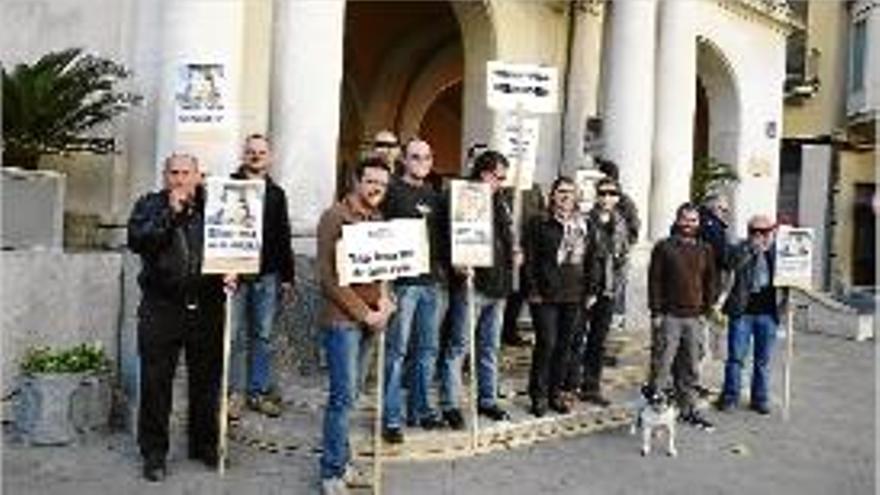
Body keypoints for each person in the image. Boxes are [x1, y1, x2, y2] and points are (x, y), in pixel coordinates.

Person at [128, 153, 229, 482]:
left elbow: (237, 246)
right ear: (165, 175)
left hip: (207, 306)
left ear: (199, 176)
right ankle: (154, 453)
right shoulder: (150, 205)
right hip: (162, 307)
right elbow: (139, 241)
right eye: (174, 173)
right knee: (156, 383)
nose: (180, 179)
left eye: (187, 173)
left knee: (206, 382)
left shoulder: (216, 207)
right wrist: (169, 214)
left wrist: (237, 273)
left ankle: (204, 445)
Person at [317, 157, 396, 495]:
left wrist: (386, 300)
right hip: (343, 322)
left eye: (382, 183)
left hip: (369, 321)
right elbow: (328, 278)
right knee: (341, 397)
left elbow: (381, 269)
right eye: (371, 181)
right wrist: (364, 313)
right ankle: (331, 473)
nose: (376, 187)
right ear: (356, 180)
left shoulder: (377, 218)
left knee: (351, 396)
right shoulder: (335, 216)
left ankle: (344, 463)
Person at [438, 150, 517, 429]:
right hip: (473, 284)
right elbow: (448, 236)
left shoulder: (502, 201)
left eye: (504, 178)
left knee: (490, 347)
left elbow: (506, 235)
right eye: (499, 177)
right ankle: (450, 403)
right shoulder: (462, 196)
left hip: (499, 286)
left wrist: (514, 252)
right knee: (459, 346)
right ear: (484, 174)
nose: (502, 183)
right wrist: (456, 262)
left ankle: (487, 399)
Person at [380, 139, 447, 443]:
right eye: (415, 157)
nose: (422, 161)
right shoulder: (391, 192)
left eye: (427, 157)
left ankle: (419, 409)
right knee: (396, 353)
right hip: (402, 285)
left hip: (431, 284)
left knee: (427, 351)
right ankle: (391, 418)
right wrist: (384, 285)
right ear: (404, 160)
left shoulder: (434, 196)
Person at [228, 134, 295, 419]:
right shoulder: (229, 188)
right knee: (235, 336)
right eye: (251, 151)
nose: (256, 156)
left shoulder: (276, 194)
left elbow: (283, 235)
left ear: (269, 157)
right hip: (235, 275)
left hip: (267, 275)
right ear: (244, 155)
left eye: (261, 152)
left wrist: (288, 277)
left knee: (263, 336)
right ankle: (233, 392)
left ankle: (258, 391)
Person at [647, 202, 718, 431]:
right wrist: (656, 312)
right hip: (669, 316)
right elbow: (654, 281)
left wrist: (707, 310)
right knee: (662, 364)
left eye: (693, 220)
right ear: (678, 220)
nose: (689, 224)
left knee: (691, 365)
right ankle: (655, 412)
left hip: (695, 316)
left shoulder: (705, 249)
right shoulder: (664, 247)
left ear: (698, 223)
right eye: (685, 219)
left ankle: (688, 409)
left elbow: (711, 282)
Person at [524, 177, 586, 416]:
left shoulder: (583, 224)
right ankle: (537, 395)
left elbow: (590, 258)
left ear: (576, 196)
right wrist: (532, 290)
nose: (565, 196)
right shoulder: (539, 222)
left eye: (570, 192)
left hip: (573, 294)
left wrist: (589, 289)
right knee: (547, 344)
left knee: (564, 346)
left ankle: (554, 393)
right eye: (561, 191)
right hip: (545, 295)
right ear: (552, 195)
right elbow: (529, 259)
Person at [717, 215, 782, 415]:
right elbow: (731, 264)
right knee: (736, 358)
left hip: (768, 314)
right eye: (754, 231)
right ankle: (730, 398)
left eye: (764, 232)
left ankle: (759, 399)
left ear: (771, 232)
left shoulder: (779, 253)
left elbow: (790, 279)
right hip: (742, 312)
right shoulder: (740, 247)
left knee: (762, 360)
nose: (759, 236)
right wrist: (750, 250)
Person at [578, 177, 631, 406]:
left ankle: (591, 386)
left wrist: (617, 286)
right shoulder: (586, 220)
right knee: (575, 338)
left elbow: (624, 257)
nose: (607, 197)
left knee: (598, 341)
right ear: (597, 195)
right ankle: (568, 384)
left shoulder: (621, 222)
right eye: (603, 193)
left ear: (618, 197)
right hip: (585, 288)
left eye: (612, 193)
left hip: (608, 290)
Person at [501, 182, 545, 347]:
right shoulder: (502, 186)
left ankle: (509, 330)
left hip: (527, 247)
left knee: (519, 292)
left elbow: (541, 213)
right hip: (504, 249)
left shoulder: (533, 188)